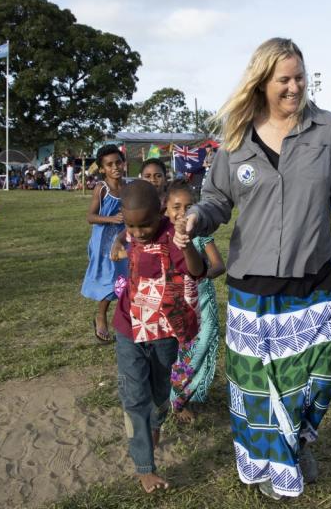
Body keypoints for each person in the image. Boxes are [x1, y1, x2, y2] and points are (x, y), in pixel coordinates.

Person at [181, 37, 331, 500]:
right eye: (284, 80)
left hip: (313, 277)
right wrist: (198, 216)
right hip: (252, 283)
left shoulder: (328, 128)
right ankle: (279, 459)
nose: (294, 87)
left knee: (319, 377)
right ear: (262, 82)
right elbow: (217, 199)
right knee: (260, 384)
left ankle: (297, 438)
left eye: (299, 77)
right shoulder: (236, 137)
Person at [108, 180, 205, 494]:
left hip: (164, 331)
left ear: (160, 210)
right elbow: (125, 236)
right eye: (131, 225)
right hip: (128, 327)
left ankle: (156, 422)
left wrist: (187, 245)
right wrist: (117, 241)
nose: (138, 232)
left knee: (160, 392)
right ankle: (145, 467)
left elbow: (198, 270)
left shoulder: (172, 236)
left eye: (144, 224)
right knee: (134, 397)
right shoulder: (133, 230)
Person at [165, 183, 225, 423]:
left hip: (204, 301)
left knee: (202, 346)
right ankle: (176, 399)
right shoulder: (163, 237)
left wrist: (200, 275)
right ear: (166, 210)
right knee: (181, 351)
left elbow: (219, 265)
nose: (182, 212)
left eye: (189, 206)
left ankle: (185, 392)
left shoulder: (201, 235)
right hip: (179, 305)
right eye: (176, 207)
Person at [81, 144, 128, 344]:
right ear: (102, 169)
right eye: (109, 164)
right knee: (110, 279)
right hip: (103, 244)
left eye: (118, 162)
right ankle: (101, 316)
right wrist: (112, 219)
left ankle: (125, 321)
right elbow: (90, 217)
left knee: (124, 278)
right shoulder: (102, 189)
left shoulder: (128, 187)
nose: (115, 167)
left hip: (125, 239)